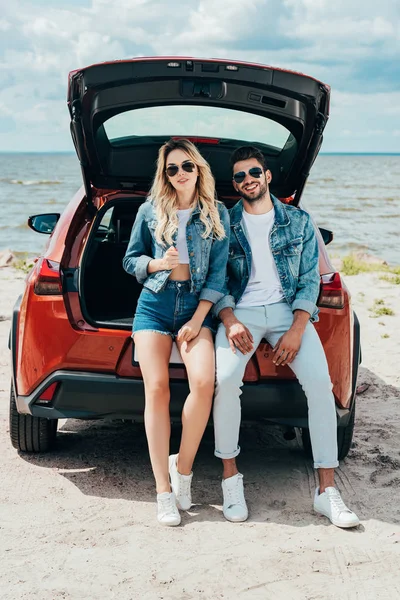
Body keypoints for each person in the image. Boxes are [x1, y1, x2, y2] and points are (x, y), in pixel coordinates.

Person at [212, 145, 360, 529]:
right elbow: (215, 281)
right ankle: (231, 479)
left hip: (286, 313)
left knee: (321, 385)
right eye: (240, 176)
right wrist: (229, 320)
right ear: (235, 184)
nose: (248, 180)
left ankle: (326, 491)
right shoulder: (225, 224)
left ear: (268, 176)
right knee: (226, 380)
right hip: (240, 312)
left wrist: (296, 328)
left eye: (254, 173)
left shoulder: (298, 220)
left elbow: (310, 280)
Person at [123, 138, 229, 526]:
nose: (180, 173)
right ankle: (163, 491)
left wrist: (198, 319)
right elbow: (130, 259)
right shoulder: (150, 210)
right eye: (172, 168)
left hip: (195, 307)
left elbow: (218, 275)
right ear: (164, 174)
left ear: (198, 169)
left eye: (187, 166)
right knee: (156, 389)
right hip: (154, 304)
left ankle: (183, 472)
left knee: (203, 383)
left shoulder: (216, 213)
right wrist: (156, 263)